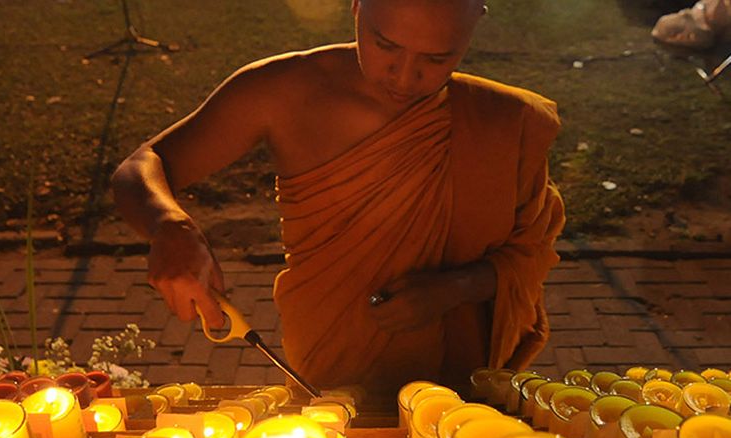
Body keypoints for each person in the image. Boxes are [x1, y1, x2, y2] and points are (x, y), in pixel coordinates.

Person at [111, 0, 565, 400]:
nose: (405, 77)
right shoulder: (283, 92)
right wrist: (169, 225)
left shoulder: (499, 123)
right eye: (385, 45)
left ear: (475, 24)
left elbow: (531, 253)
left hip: (460, 387)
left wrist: (456, 288)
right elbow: (143, 165)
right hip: (327, 368)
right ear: (355, 8)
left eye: (437, 57)